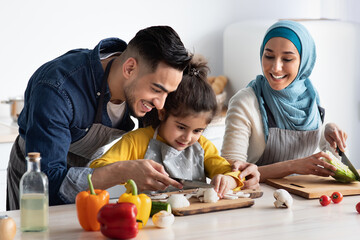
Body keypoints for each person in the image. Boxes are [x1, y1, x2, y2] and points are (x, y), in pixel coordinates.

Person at [7, 26, 192, 210]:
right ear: (129, 68)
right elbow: (50, 185)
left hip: (86, 170)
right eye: (157, 90)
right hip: (36, 172)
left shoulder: (144, 86)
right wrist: (122, 171)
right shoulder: (56, 89)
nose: (160, 104)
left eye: (168, 93)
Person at [90, 55, 244, 197]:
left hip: (194, 216)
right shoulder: (136, 141)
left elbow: (230, 172)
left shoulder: (202, 146)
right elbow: (96, 167)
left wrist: (228, 180)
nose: (188, 138)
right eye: (181, 127)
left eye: (197, 131)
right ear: (162, 113)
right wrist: (128, 170)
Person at [221, 20, 347, 182]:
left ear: (304, 61)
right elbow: (229, 172)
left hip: (305, 197)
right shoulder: (245, 102)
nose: (275, 67)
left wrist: (331, 133)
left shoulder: (311, 98)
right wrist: (292, 167)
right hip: (259, 198)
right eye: (269, 56)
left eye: (287, 59)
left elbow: (338, 166)